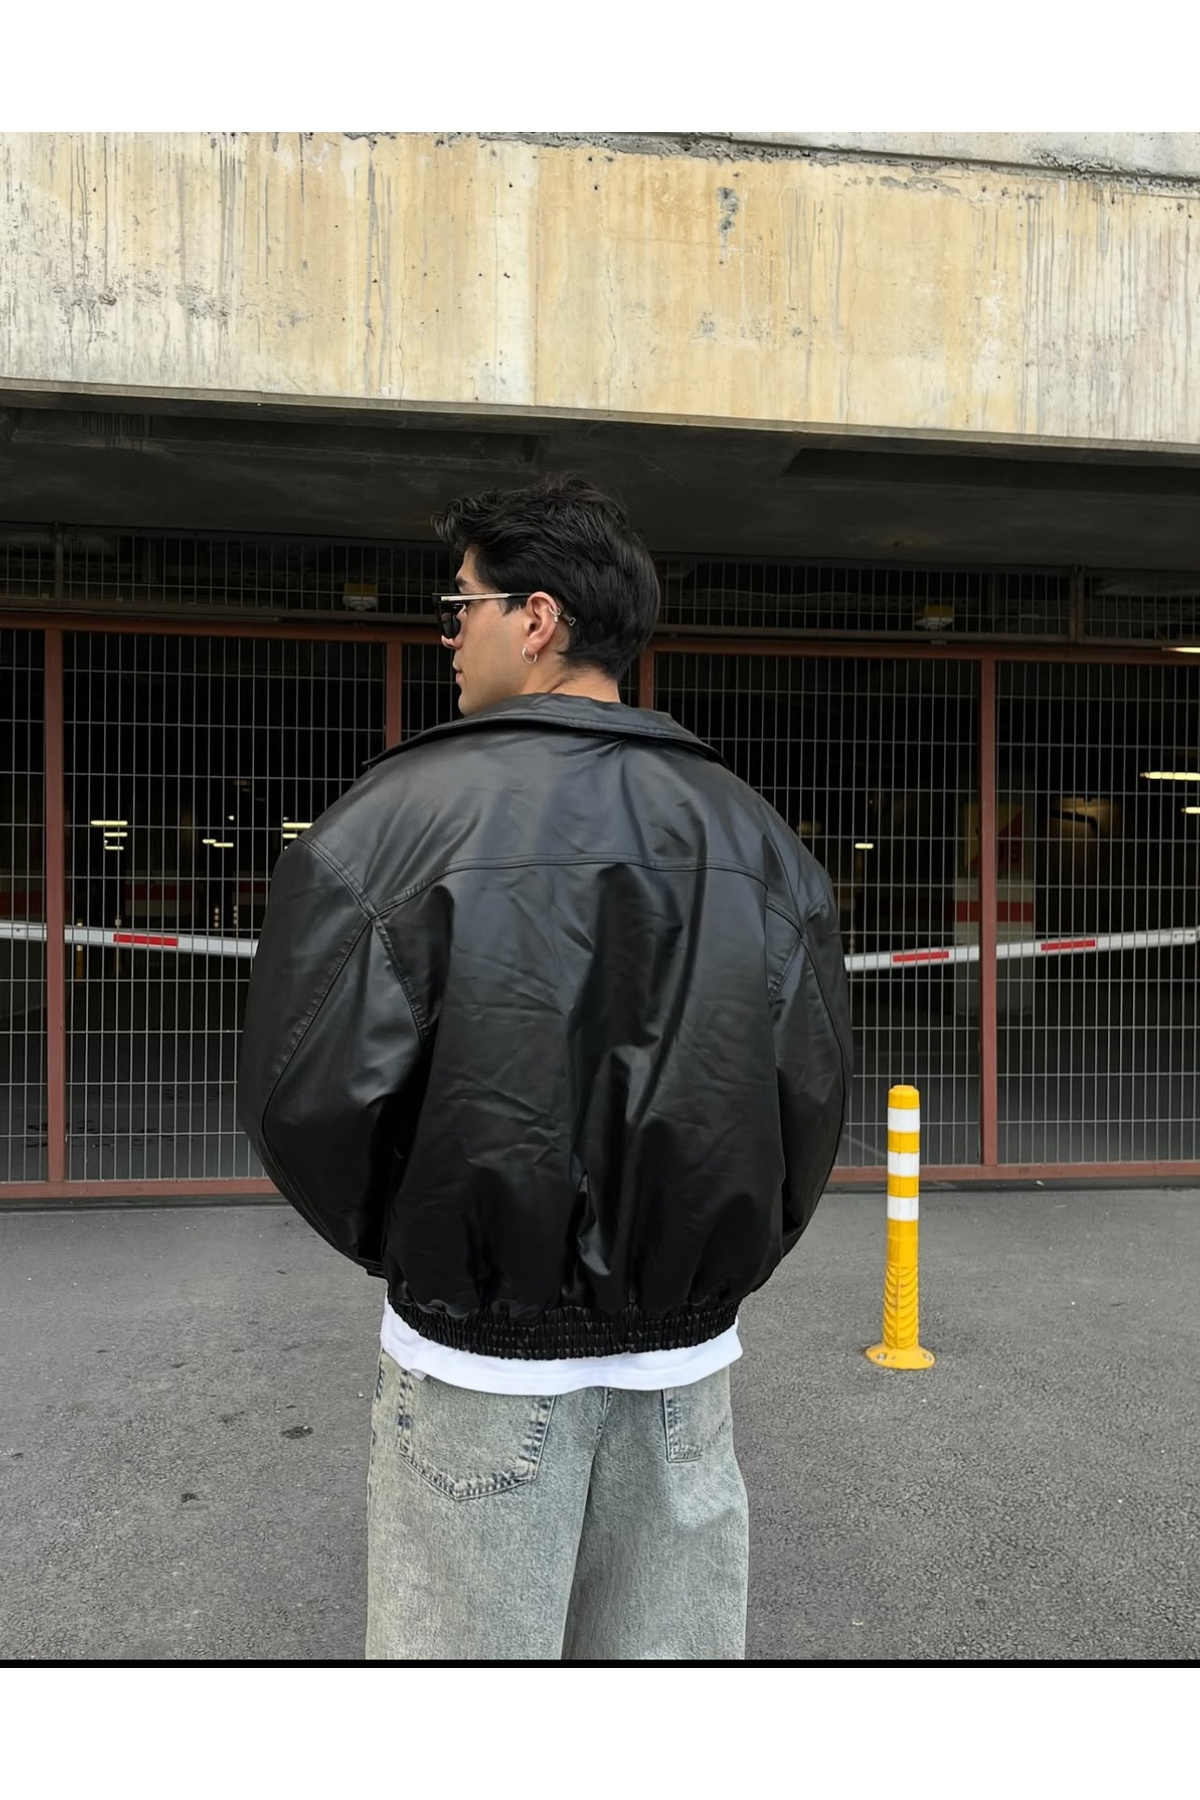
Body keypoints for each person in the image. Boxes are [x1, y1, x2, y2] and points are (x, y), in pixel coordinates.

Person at [236, 474, 852, 1661]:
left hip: (475, 1367)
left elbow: (301, 1096)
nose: (447, 635)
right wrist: (709, 1258)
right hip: (684, 1374)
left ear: (536, 619)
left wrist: (431, 1245)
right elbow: (808, 1091)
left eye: (457, 605)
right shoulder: (752, 833)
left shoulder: (390, 822)